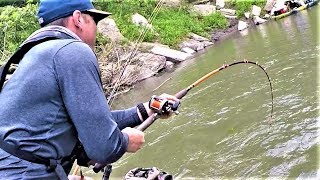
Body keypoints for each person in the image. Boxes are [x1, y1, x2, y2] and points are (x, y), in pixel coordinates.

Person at [0, 0, 179, 179]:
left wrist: (145, 109)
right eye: (95, 20)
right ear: (78, 19)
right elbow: (104, 147)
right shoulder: (73, 51)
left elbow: (92, 121)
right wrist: (125, 141)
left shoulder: (33, 56)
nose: (97, 30)